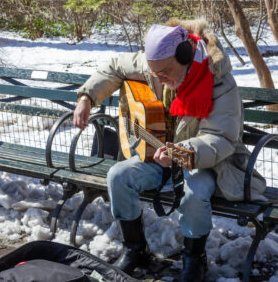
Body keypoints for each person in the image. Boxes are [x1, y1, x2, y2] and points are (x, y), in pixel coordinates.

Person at [73, 18, 266, 282]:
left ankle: (194, 259)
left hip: (207, 162)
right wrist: (87, 97)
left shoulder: (220, 83)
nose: (160, 80)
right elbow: (115, 66)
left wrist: (180, 152)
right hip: (160, 153)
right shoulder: (158, 65)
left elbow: (220, 139)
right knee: (118, 176)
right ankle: (135, 249)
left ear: (185, 55)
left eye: (165, 73)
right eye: (155, 75)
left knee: (195, 192)